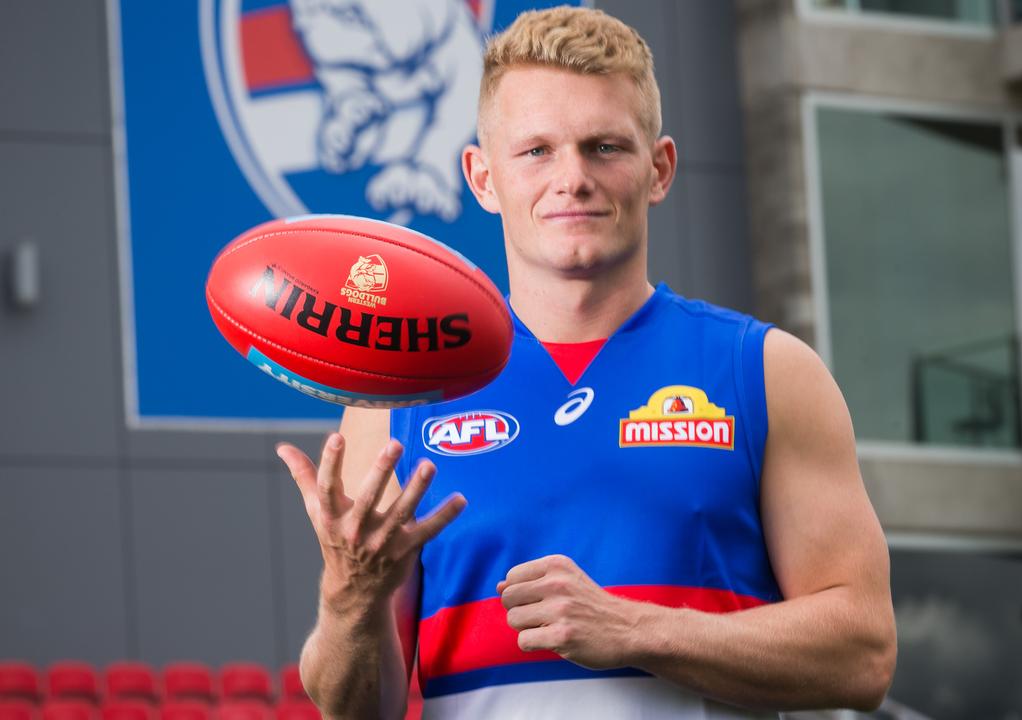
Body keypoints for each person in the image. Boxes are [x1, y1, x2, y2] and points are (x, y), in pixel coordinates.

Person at [274, 7, 896, 719]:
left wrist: (637, 628)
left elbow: (863, 654)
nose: (572, 178)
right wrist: (347, 598)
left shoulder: (764, 372)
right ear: (481, 177)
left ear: (658, 169)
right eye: (535, 150)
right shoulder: (399, 395)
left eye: (604, 147)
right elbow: (356, 710)